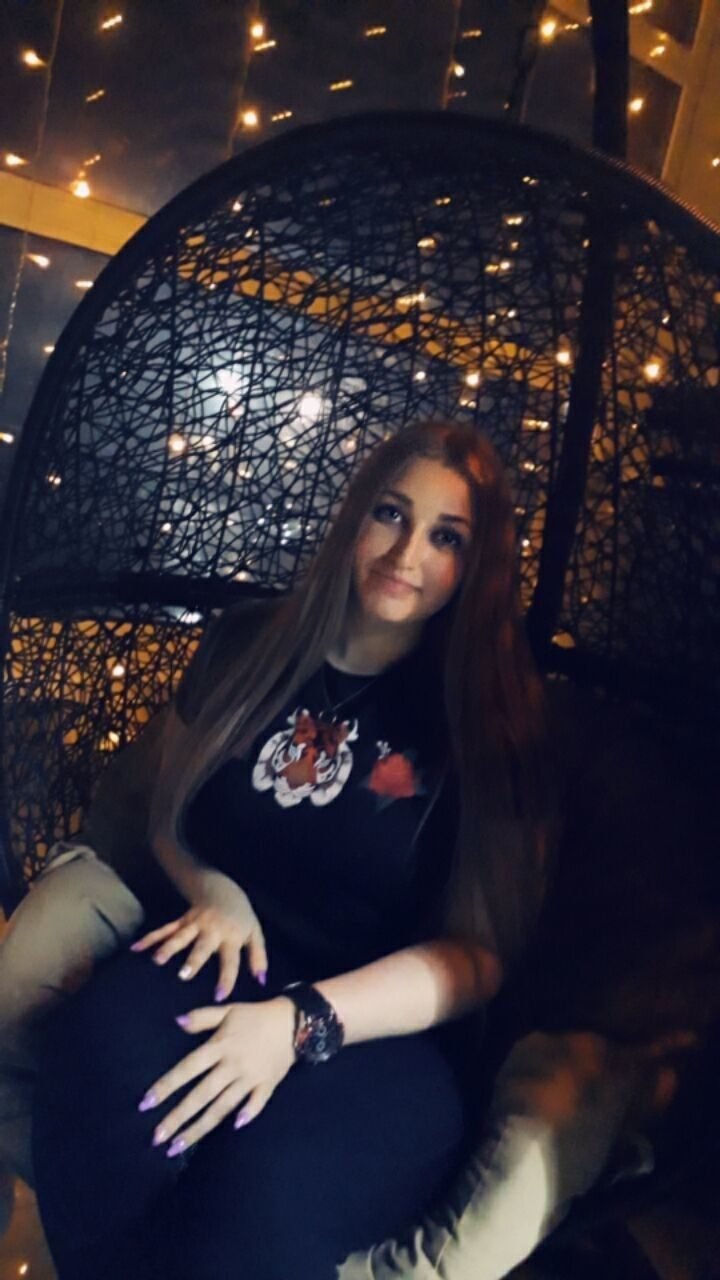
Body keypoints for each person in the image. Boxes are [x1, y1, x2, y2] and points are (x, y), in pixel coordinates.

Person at [28, 420, 554, 1279]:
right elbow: (167, 812)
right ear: (356, 514)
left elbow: (479, 956)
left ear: (477, 565)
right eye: (391, 513)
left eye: (446, 537)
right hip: (216, 958)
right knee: (100, 1094)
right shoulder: (247, 642)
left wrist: (301, 1022)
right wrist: (212, 888)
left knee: (257, 1197)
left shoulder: (485, 720)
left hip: (382, 1027)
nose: (406, 553)